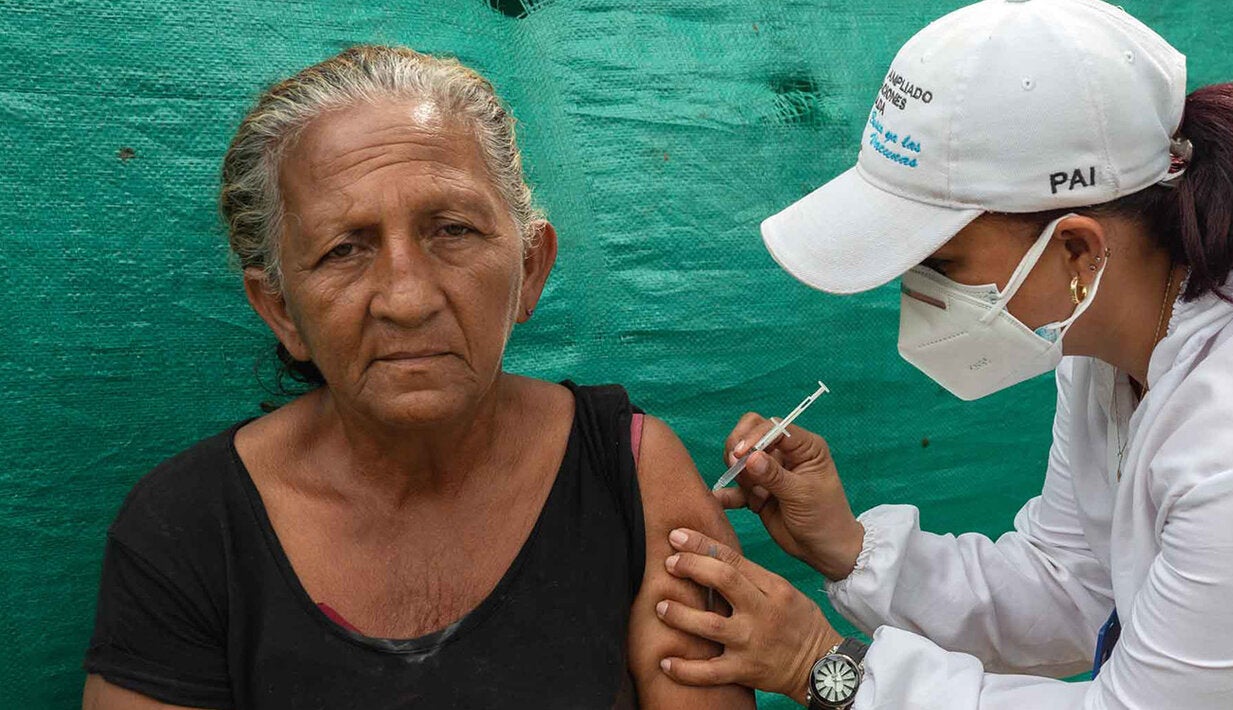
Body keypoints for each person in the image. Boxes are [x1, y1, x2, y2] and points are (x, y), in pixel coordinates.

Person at [652, 0, 1233, 707]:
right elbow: (1074, 580)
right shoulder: (1121, 301)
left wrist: (829, 669)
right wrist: (849, 548)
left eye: (940, 264)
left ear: (1078, 246)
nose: (913, 295)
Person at [81, 45, 754, 709]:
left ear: (530, 268)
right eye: (344, 249)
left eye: (452, 231)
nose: (407, 299)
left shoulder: (631, 477)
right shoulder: (188, 530)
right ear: (281, 309)